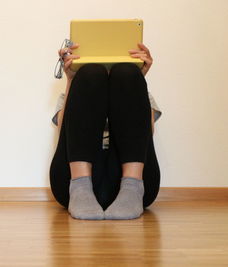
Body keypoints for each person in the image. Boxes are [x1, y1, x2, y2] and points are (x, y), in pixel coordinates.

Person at [49, 42, 162, 220]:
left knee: (127, 73)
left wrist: (138, 81)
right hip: (72, 183)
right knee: (90, 74)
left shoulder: (134, 84)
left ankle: (132, 187)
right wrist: (72, 80)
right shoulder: (75, 89)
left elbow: (147, 134)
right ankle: (80, 186)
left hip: (132, 180)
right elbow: (64, 132)